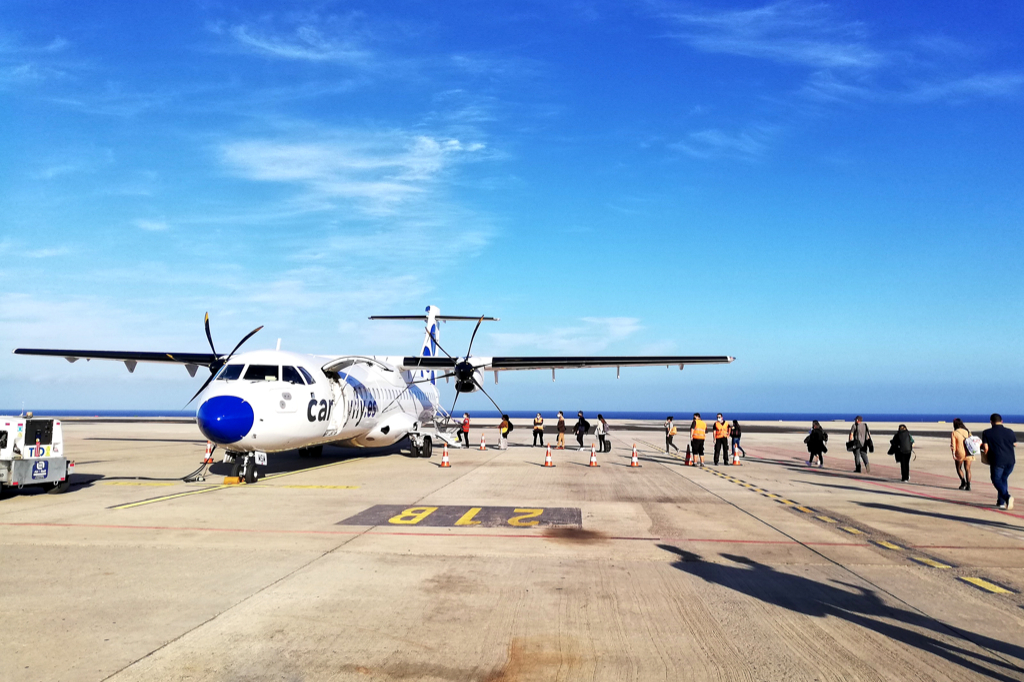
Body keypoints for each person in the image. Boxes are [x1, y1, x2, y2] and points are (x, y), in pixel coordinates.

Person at [981, 413, 1017, 510]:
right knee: (1003, 479)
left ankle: (1007, 497)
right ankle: (1001, 502)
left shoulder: (987, 433)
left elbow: (986, 448)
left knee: (996, 480)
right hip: (1010, 460)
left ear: (991, 422)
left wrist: (982, 451)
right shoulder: (1010, 431)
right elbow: (1015, 444)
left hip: (997, 460)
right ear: (1002, 421)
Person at [950, 418, 973, 491]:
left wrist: (953, 454)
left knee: (958, 468)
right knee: (968, 469)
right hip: (968, 452)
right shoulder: (967, 431)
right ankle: (969, 485)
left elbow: (953, 445)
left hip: (959, 452)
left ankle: (963, 482)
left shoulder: (954, 432)